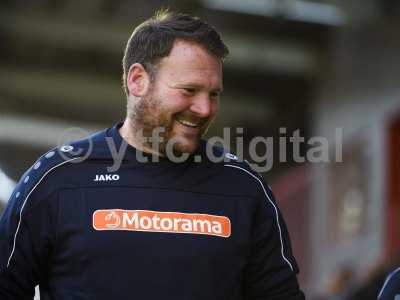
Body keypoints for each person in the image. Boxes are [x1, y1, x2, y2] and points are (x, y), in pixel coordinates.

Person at [0, 10, 305, 299]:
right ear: (137, 80)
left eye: (213, 94)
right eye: (189, 90)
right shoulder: (59, 178)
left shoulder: (243, 188)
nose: (205, 109)